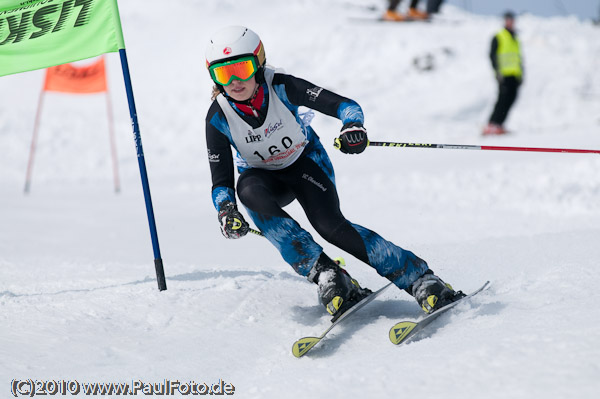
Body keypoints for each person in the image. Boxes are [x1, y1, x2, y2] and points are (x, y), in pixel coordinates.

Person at [204, 26, 464, 320]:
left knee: (330, 227)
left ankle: (420, 279)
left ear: (259, 62)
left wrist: (352, 126)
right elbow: (220, 181)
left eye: (242, 68)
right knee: (247, 190)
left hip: (306, 165)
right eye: (224, 74)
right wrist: (226, 211)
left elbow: (345, 105)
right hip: (263, 180)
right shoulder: (217, 117)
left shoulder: (282, 86)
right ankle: (326, 273)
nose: (235, 81)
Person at [483, 11, 523, 135]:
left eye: (512, 20)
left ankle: (499, 125)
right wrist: (497, 71)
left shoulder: (515, 37)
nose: (510, 22)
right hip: (503, 75)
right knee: (502, 100)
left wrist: (521, 74)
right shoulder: (499, 36)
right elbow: (492, 55)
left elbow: (518, 57)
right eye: (508, 20)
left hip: (514, 75)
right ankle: (492, 124)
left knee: (511, 100)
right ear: (505, 21)